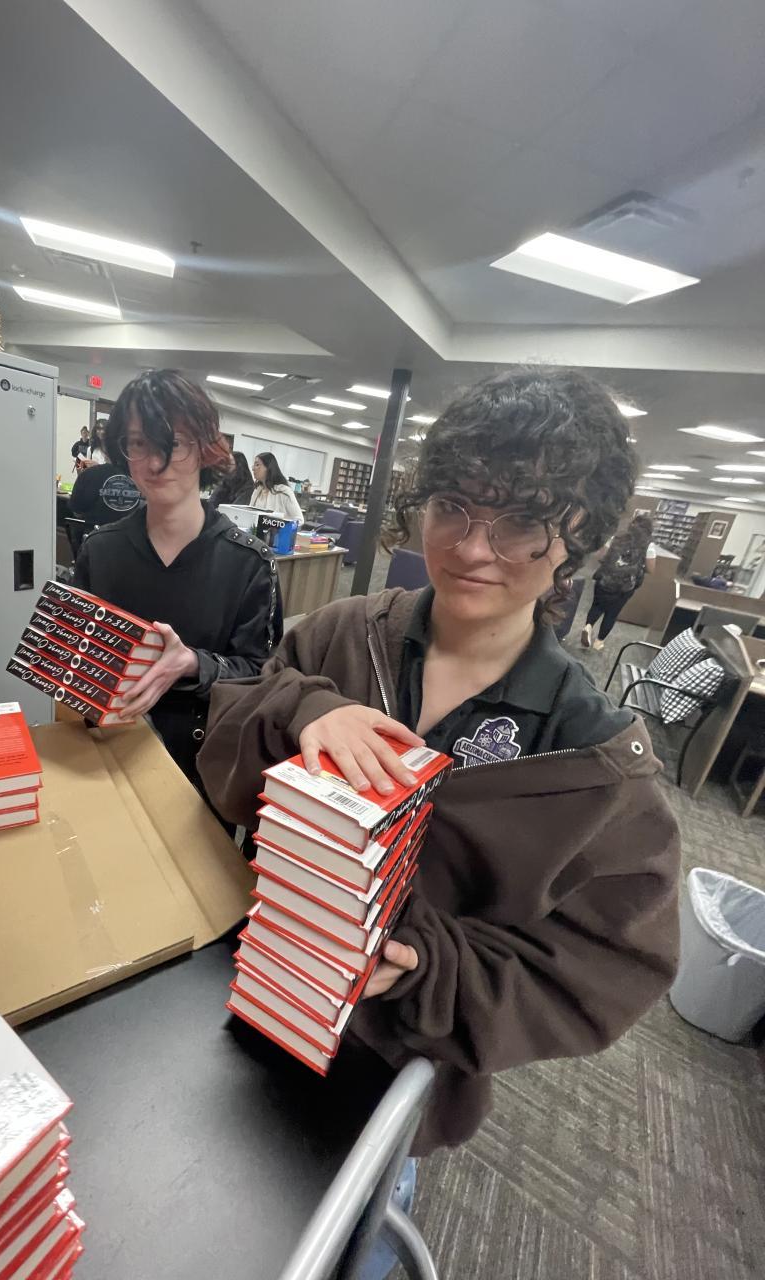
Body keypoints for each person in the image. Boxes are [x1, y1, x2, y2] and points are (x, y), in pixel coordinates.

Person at [198, 369, 680, 1250]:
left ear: (580, 542)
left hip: (390, 1079)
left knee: (344, 1245)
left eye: (523, 522)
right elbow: (226, 748)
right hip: (247, 998)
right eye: (453, 506)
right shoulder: (341, 637)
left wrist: (428, 966)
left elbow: (600, 970)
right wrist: (304, 709)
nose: (471, 548)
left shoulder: (595, 765)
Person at [73, 369, 283, 787]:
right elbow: (80, 659)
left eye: (173, 444)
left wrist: (193, 663)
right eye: (139, 443)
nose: (155, 462)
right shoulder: (100, 551)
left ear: (204, 450)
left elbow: (264, 677)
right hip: (107, 760)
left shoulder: (250, 564)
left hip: (204, 770)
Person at [582, 513, 657, 650]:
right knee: (612, 613)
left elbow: (601, 556)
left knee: (597, 605)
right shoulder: (649, 545)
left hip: (605, 579)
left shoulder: (617, 537)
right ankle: (599, 642)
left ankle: (588, 626)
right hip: (625, 586)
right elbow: (651, 569)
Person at [250, 452, 303, 521]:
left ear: (268, 467)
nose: (253, 468)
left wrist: (281, 525)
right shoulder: (257, 490)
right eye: (254, 465)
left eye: (257, 465)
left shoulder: (283, 491)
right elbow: (250, 513)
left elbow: (299, 520)